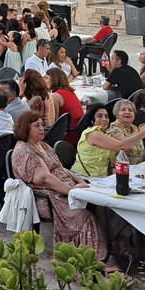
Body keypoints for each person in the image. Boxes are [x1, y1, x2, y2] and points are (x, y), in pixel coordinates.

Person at [10, 112, 113, 268]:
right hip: (50, 195)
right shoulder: (24, 151)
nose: (42, 129)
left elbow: (60, 168)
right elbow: (45, 178)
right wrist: (71, 190)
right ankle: (93, 258)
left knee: (102, 204)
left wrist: (80, 181)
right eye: (36, 126)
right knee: (84, 215)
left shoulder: (43, 145)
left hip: (67, 188)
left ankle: (113, 251)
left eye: (42, 125)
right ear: (25, 128)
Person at [73, 104, 145, 176]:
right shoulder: (93, 134)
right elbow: (120, 146)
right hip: (84, 176)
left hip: (101, 177)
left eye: (106, 117)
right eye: (100, 116)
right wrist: (144, 132)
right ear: (92, 120)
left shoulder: (104, 133)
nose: (104, 119)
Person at [44, 67, 84, 144]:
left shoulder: (56, 96)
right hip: (78, 131)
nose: (45, 81)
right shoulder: (70, 92)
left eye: (47, 78)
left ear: (54, 79)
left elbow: (53, 122)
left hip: (68, 135)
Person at [104, 100, 145, 165]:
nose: (127, 112)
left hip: (138, 168)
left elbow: (142, 151)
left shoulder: (134, 128)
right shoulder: (113, 128)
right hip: (121, 169)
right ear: (116, 114)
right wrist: (143, 132)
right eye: (123, 110)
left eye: (130, 110)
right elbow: (123, 144)